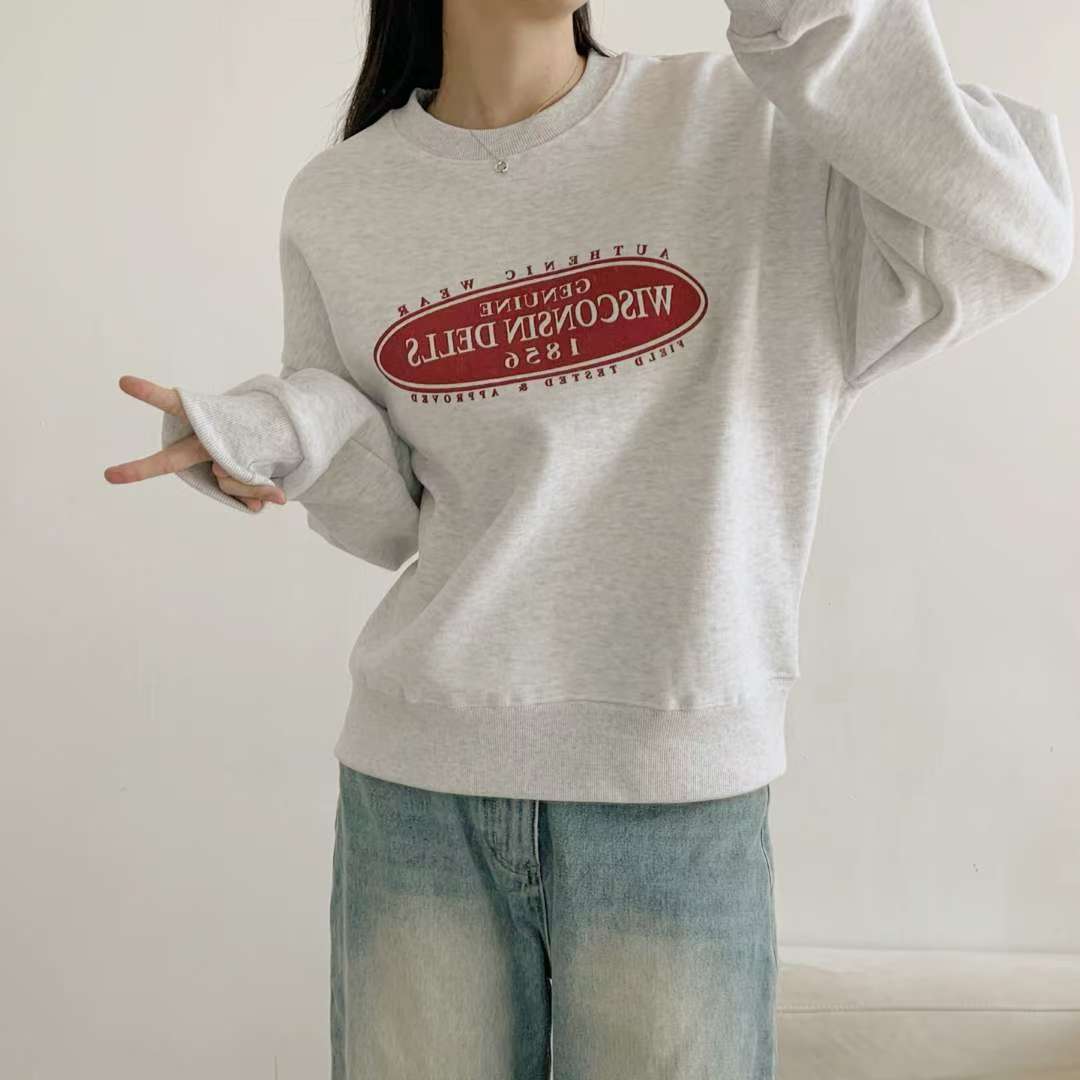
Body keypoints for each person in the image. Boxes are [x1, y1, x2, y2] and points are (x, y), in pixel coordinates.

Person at [103, 0, 1073, 1076]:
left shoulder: (754, 118)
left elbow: (1012, 231)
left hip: (673, 795)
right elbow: (395, 519)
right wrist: (286, 433)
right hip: (415, 791)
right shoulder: (342, 196)